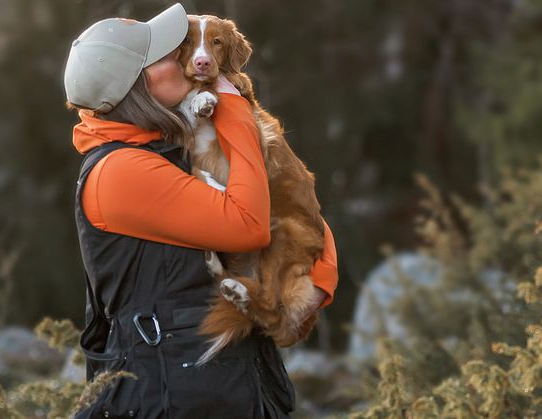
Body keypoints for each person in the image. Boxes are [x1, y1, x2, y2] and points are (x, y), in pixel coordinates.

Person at [63, 4, 338, 418]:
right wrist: (236, 108)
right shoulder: (121, 172)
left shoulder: (166, 147)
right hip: (173, 396)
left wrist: (320, 275)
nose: (182, 58)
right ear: (135, 85)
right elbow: (248, 225)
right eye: (165, 55)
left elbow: (285, 206)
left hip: (218, 384)